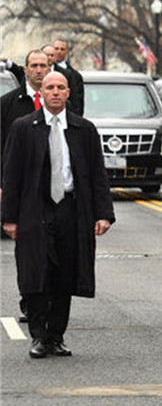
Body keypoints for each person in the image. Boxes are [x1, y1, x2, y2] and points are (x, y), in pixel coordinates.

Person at [1, 71, 115, 358]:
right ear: (42, 92)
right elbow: (11, 175)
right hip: (33, 209)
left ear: (67, 93)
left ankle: (56, 335)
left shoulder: (84, 129)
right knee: (35, 271)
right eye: (49, 87)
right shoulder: (24, 127)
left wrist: (103, 214)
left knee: (64, 273)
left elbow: (97, 175)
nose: (55, 92)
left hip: (70, 208)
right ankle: (39, 336)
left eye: (60, 87)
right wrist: (9, 217)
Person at [1, 49, 52, 323]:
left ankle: (50, 301)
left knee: (55, 249)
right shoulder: (8, 104)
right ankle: (29, 300)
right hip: (23, 190)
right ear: (26, 69)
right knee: (28, 250)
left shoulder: (59, 103)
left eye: (43, 65)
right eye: (34, 65)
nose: (39, 70)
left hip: (55, 189)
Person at [51, 40, 84, 116]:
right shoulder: (44, 72)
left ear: (67, 52)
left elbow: (78, 103)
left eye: (62, 49)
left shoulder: (75, 75)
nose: (59, 52)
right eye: (56, 49)